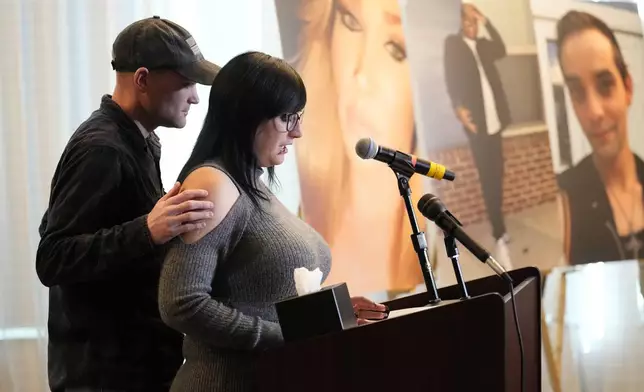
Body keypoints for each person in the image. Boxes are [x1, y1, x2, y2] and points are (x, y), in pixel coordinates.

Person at [158, 51, 388, 392]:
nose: (297, 132)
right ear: (246, 116)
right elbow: (181, 304)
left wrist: (327, 312)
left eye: (299, 117)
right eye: (286, 118)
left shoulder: (251, 182)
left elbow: (259, 291)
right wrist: (289, 336)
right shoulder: (212, 183)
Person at [35, 16, 220, 392]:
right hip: (104, 377)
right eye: (185, 82)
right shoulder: (102, 148)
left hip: (136, 368)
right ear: (142, 79)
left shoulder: (137, 139)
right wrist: (147, 230)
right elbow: (52, 257)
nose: (195, 96)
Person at [274, 0, 425, 295]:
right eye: (351, 23)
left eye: (396, 49)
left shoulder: (434, 242)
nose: (361, 75)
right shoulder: (293, 214)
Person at [555, 11, 643, 264]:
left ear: (627, 88)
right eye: (578, 92)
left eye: (605, 85)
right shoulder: (564, 199)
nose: (594, 111)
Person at [443, 2, 512, 269]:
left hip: (496, 121)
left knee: (499, 172)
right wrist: (459, 108)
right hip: (477, 124)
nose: (471, 27)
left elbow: (503, 49)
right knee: (488, 176)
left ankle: (499, 224)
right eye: (468, 22)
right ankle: (499, 230)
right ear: (460, 23)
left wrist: (487, 20)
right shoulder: (454, 45)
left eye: (475, 23)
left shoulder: (484, 45)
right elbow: (451, 79)